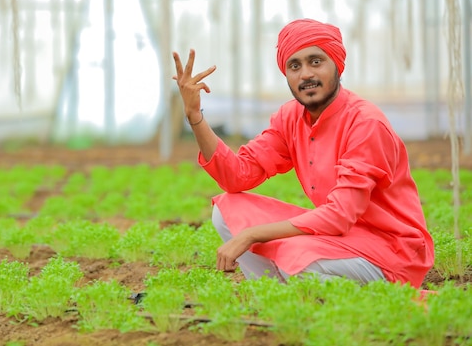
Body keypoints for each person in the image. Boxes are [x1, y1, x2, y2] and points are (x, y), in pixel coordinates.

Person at [172, 18, 434, 288]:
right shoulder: (290, 117)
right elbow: (237, 176)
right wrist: (194, 116)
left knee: (297, 258)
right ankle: (275, 294)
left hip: (391, 251)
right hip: (340, 240)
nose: (306, 74)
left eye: (316, 61)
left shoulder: (365, 123)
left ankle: (319, 295)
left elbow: (339, 215)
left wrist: (253, 235)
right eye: (294, 66)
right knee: (229, 210)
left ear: (337, 66)